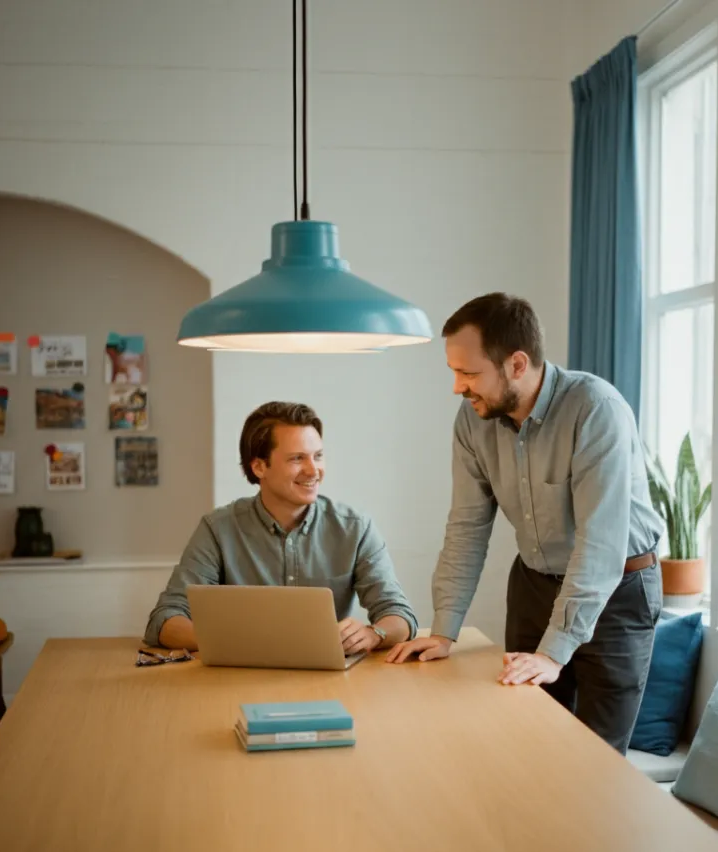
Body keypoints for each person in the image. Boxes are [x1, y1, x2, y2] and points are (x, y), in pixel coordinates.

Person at [387, 293, 664, 752]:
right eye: (454, 372)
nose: (458, 387)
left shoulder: (595, 409)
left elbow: (599, 543)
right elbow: (467, 526)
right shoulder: (473, 420)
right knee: (525, 739)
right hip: (535, 585)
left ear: (517, 364)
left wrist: (554, 652)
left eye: (470, 373)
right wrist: (443, 629)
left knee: (598, 759)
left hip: (617, 593)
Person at [145, 401, 417, 655]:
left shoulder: (356, 528)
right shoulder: (218, 529)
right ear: (259, 466)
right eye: (298, 458)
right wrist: (237, 645)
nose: (314, 471)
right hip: (236, 682)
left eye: (318, 456)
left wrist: (374, 633)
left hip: (329, 680)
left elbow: (399, 615)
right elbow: (165, 619)